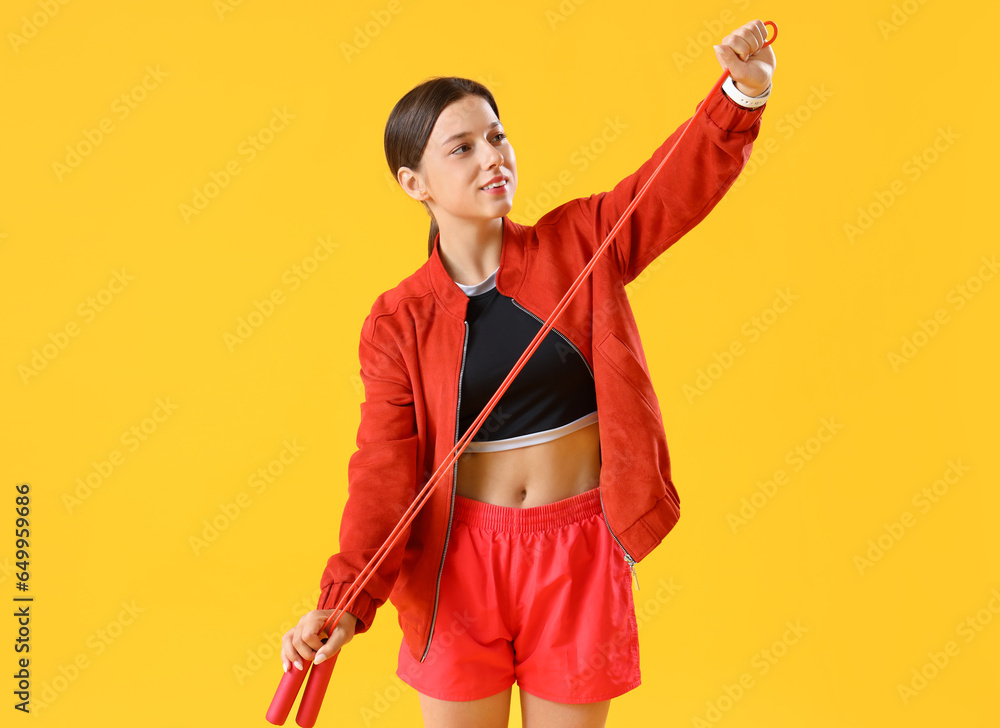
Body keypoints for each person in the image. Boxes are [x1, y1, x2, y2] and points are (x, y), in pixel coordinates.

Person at [280, 19, 776, 728]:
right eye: (462, 147)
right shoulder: (398, 322)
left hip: (576, 552)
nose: (493, 157)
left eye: (497, 137)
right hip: (457, 567)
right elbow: (382, 474)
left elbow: (670, 189)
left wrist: (742, 93)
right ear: (412, 181)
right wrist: (343, 601)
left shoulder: (578, 245)